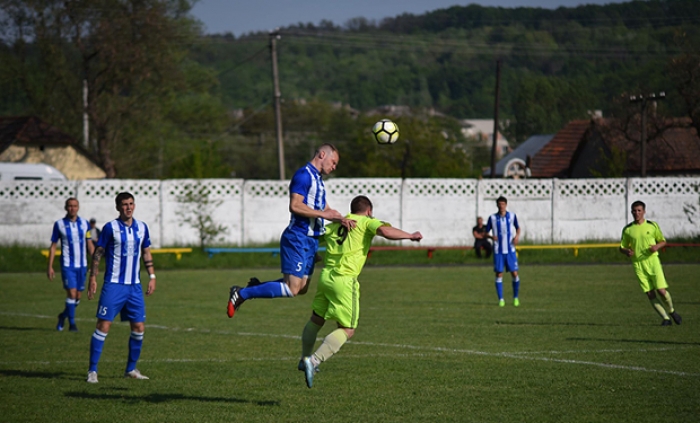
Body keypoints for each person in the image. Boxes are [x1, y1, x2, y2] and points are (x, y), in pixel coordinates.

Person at [300, 195, 422, 388]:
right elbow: (384, 230)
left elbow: (311, 240)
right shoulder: (366, 222)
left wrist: (313, 256)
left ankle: (304, 357)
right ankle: (313, 361)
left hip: (326, 277)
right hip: (345, 280)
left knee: (316, 319)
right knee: (348, 329)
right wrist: (410, 235)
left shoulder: (336, 223)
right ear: (369, 211)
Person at [227, 143, 355, 318]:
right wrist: (326, 215)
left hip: (310, 240)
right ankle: (241, 294)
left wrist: (340, 218)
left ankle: (254, 288)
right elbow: (294, 206)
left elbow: (323, 207)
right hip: (298, 237)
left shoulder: (317, 179)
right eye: (333, 162)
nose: (334, 167)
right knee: (292, 288)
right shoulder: (303, 175)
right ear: (322, 155)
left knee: (302, 288)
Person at [85, 192, 157, 383]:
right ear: (118, 207)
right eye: (124, 204)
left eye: (131, 203)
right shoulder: (110, 228)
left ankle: (131, 369)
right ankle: (92, 371)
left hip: (134, 287)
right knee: (103, 325)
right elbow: (98, 253)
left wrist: (152, 276)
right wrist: (93, 277)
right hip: (114, 285)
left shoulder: (142, 227)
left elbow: (146, 252)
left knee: (139, 327)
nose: (128, 207)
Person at [620, 201, 682, 326]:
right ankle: (665, 319)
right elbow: (621, 247)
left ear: (644, 211)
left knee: (661, 291)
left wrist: (656, 247)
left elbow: (663, 241)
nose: (636, 213)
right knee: (650, 293)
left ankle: (672, 311)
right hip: (638, 264)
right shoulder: (628, 229)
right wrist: (626, 251)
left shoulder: (652, 225)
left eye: (639, 210)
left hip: (653, 261)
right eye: (634, 210)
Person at [47, 198, 94, 332]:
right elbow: (53, 246)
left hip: (82, 265)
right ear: (66, 207)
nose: (72, 208)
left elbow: (89, 243)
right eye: (70, 206)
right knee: (72, 294)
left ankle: (62, 316)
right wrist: (50, 266)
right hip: (68, 265)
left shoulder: (85, 224)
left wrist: (95, 261)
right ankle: (72, 324)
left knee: (78, 297)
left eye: (75, 206)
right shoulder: (59, 224)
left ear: (78, 207)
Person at [485, 196, 521, 307]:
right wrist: (491, 237)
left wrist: (517, 237)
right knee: (499, 273)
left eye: (503, 204)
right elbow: (486, 232)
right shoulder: (492, 218)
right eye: (499, 204)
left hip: (510, 250)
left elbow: (518, 228)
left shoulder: (512, 216)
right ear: (497, 205)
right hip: (498, 251)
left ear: (506, 205)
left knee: (514, 273)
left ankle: (515, 298)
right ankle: (501, 299)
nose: (501, 206)